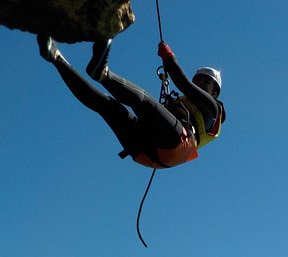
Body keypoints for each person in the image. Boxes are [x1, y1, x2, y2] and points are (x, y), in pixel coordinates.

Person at [36, 36, 225, 169]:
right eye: (198, 79)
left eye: (205, 82)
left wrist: (168, 57)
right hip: (148, 152)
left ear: (214, 92)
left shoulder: (212, 109)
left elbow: (183, 83)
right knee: (108, 107)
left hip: (174, 145)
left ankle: (103, 74)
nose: (199, 82)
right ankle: (56, 58)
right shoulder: (190, 105)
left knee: (142, 100)